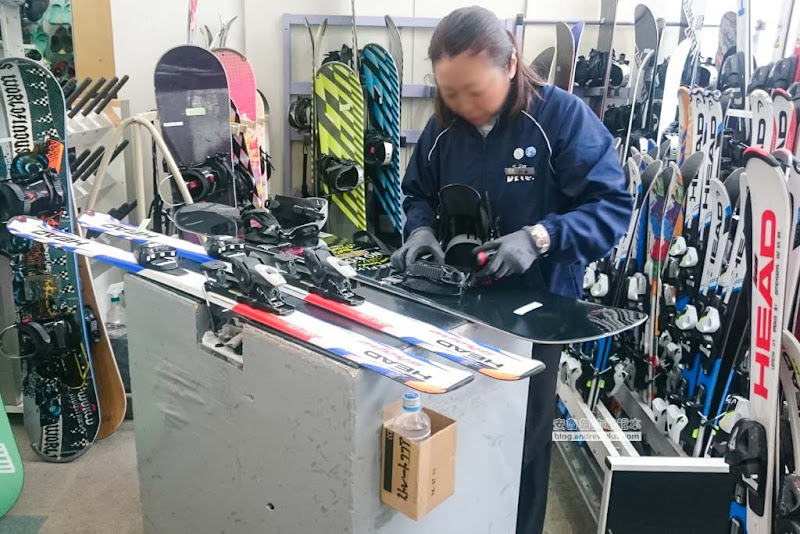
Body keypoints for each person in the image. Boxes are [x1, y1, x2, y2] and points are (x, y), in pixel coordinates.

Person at [389, 6, 632, 534]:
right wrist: (420, 230)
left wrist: (541, 237)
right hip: (453, 304)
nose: (461, 106)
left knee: (521, 441)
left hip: (533, 314)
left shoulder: (559, 120)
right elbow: (416, 193)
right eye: (449, 93)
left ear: (512, 63)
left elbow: (612, 206)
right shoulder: (441, 128)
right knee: (454, 424)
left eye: (474, 91)